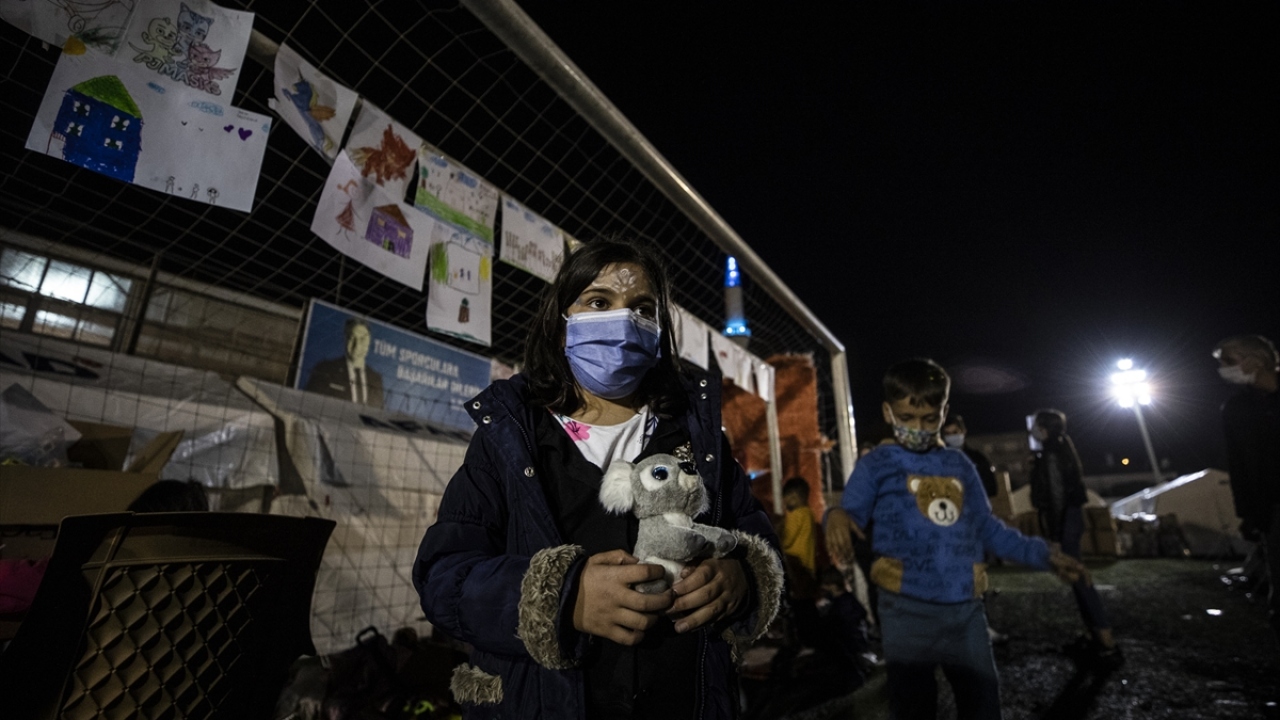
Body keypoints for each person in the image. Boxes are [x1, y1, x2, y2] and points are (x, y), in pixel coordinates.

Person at [412, 237, 784, 719]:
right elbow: (444, 576)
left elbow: (757, 539)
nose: (624, 320)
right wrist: (565, 599)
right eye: (599, 302)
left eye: (643, 307)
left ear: (659, 329)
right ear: (561, 321)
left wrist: (741, 579)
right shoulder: (511, 437)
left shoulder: (698, 434)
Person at [825, 358, 1085, 720]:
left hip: (965, 611)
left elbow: (988, 527)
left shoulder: (960, 465)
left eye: (929, 420)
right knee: (914, 707)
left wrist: (1043, 554)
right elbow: (848, 510)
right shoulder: (875, 465)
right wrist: (835, 515)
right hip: (904, 612)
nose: (918, 428)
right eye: (907, 418)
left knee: (982, 705)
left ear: (943, 412)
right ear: (888, 412)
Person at [1028, 409, 1119, 664]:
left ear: (1045, 429)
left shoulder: (1051, 455)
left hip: (1064, 520)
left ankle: (1105, 638)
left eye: (1036, 425)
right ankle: (1096, 635)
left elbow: (1057, 497)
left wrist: (1055, 535)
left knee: (1078, 575)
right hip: (1069, 518)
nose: (1033, 430)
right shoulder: (1060, 449)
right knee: (1076, 576)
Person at [1213, 334, 1280, 641]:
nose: (1223, 369)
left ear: (1256, 361)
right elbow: (1240, 467)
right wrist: (1249, 514)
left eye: (1229, 361)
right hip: (1272, 509)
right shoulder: (1236, 409)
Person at [304, 317, 385, 407]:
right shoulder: (325, 370)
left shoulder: (376, 379)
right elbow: (309, 404)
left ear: (369, 342)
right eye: (352, 338)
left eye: (362, 339)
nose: (357, 346)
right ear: (345, 339)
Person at [781, 476, 821, 649]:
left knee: (799, 609)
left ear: (797, 497)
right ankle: (812, 640)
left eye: (789, 497)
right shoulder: (808, 513)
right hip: (808, 566)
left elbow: (787, 540)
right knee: (807, 605)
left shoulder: (795, 515)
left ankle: (804, 642)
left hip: (795, 567)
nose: (786, 502)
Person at [942, 414, 998, 498]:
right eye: (948, 434)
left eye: (955, 432)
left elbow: (991, 488)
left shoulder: (977, 458)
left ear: (963, 431)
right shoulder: (941, 460)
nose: (952, 437)